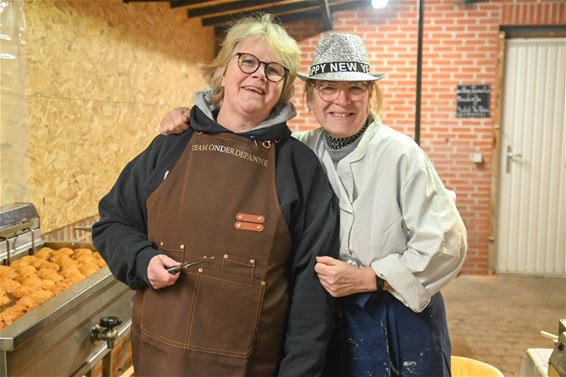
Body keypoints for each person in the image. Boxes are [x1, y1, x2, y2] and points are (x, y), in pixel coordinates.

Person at [160, 31, 468, 377]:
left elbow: (445, 243)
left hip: (398, 318)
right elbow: (240, 138)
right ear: (309, 97)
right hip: (330, 317)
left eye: (355, 88)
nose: (342, 100)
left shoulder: (400, 154)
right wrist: (191, 119)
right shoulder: (300, 151)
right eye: (328, 88)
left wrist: (371, 278)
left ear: (370, 94)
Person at [92, 15, 340, 377]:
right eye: (247, 61)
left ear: (283, 89)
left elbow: (312, 294)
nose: (258, 75)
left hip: (252, 366)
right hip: (160, 360)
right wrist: (142, 260)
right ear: (224, 71)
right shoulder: (170, 146)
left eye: (274, 70)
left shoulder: (300, 168)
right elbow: (112, 223)